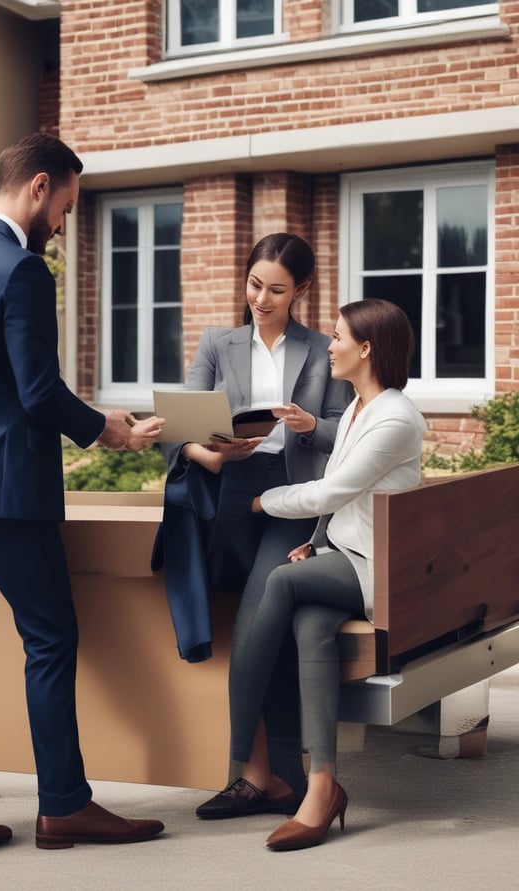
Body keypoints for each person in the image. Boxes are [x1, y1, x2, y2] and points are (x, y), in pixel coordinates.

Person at [0, 133, 166, 862]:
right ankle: (63, 805)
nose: (63, 222)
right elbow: (37, 393)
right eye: (66, 206)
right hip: (6, 491)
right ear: (39, 187)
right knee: (50, 639)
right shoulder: (22, 270)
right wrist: (106, 430)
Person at [197, 298, 427, 851]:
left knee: (279, 583)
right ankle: (321, 786)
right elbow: (347, 503)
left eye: (339, 337)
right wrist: (314, 541)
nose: (330, 345)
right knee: (309, 626)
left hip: (379, 570)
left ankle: (239, 747)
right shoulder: (356, 408)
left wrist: (261, 503)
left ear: (366, 349)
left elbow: (332, 490)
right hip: (345, 555)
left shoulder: (395, 416)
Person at [153, 233, 352, 807]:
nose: (261, 299)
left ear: (302, 292)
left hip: (293, 500)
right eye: (254, 284)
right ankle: (269, 776)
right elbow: (176, 423)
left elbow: (346, 431)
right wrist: (204, 453)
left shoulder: (323, 349)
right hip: (228, 498)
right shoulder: (218, 343)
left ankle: (250, 771)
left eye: (277, 290)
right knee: (263, 630)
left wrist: (308, 424)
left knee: (256, 623)